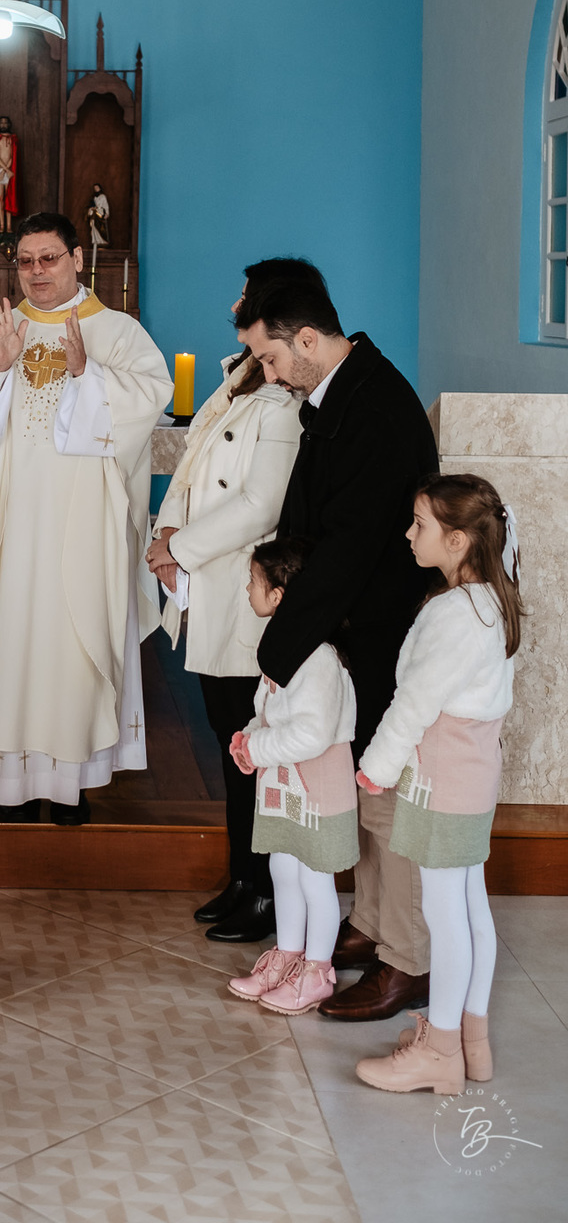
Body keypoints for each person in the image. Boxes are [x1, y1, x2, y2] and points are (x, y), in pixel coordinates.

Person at [236, 274, 439, 1022]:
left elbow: (353, 545)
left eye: (270, 357)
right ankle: (372, 926)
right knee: (366, 792)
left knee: (388, 802)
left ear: (309, 339)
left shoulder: (376, 406)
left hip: (383, 634)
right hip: (352, 632)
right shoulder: (338, 393)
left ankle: (406, 961)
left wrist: (282, 646)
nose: (269, 373)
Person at [0, 211, 173, 822]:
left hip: (83, 528)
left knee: (74, 639)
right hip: (7, 528)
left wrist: (87, 373)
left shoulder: (118, 333)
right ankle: (8, 779)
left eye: (50, 258)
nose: (37, 272)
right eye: (27, 261)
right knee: (10, 636)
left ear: (77, 260)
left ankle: (70, 784)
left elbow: (146, 401)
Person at [147, 257, 318, 944]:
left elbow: (259, 504)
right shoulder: (235, 377)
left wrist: (181, 547)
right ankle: (241, 877)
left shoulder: (280, 400)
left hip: (244, 588)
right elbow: (191, 470)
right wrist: (166, 530)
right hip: (208, 584)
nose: (235, 303)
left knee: (252, 742)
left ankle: (267, 889)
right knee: (227, 738)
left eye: (246, 295)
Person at [354, 476, 520, 1095]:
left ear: (456, 540)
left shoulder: (455, 615)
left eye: (419, 524)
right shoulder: (492, 601)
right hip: (473, 779)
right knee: (471, 907)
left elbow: (413, 704)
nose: (408, 533)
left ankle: (441, 1050)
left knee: (446, 913)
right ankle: (469, 1039)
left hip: (443, 782)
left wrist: (376, 767)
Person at [227, 538, 358, 1016]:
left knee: (315, 878)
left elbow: (312, 733)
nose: (247, 589)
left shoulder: (318, 657)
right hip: (286, 786)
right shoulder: (284, 649)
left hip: (317, 785)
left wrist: (259, 746)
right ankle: (288, 953)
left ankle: (318, 969)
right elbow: (271, 713)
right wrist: (250, 737)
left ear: (278, 596)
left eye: (254, 582)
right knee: (283, 869)